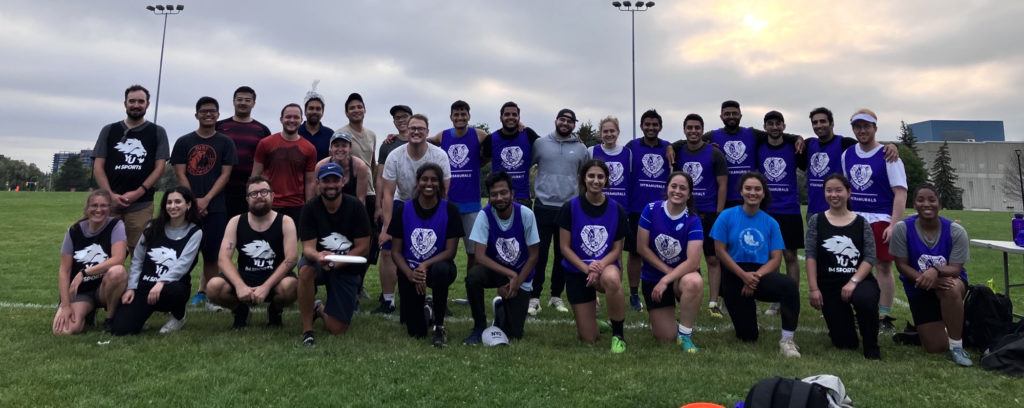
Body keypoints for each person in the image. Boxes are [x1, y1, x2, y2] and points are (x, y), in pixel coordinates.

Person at [710, 172, 801, 358]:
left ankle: (787, 340)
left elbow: (776, 258)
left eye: (757, 189)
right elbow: (720, 252)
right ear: (741, 192)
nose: (753, 192)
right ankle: (749, 319)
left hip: (760, 274)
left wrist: (755, 277)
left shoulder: (771, 222)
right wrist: (744, 276)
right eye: (748, 188)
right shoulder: (726, 216)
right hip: (735, 275)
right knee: (748, 336)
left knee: (789, 286)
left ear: (764, 193)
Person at [376, 113, 452, 315]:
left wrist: (439, 221)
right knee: (387, 249)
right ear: (406, 131)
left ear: (427, 132)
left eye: (420, 129)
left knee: (434, 252)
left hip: (432, 206)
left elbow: (444, 191)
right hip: (403, 204)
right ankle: (388, 300)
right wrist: (386, 227)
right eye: (412, 128)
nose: (416, 132)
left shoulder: (439, 155)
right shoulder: (395, 155)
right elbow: (387, 193)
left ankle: (438, 299)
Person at [890, 184, 973, 366]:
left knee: (950, 288)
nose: (926, 204)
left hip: (949, 281)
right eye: (921, 200)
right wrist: (925, 280)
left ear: (939, 204)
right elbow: (901, 265)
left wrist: (935, 272)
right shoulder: (902, 229)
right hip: (918, 286)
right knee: (934, 347)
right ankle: (945, 327)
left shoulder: (956, 231)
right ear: (914, 204)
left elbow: (956, 268)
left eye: (932, 200)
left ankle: (957, 346)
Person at [841, 109, 907, 332]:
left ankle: (883, 315)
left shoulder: (889, 156)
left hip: (881, 218)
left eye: (866, 126)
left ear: (875, 128)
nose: (862, 130)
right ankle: (861, 310)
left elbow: (900, 192)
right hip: (856, 218)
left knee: (882, 266)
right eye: (857, 126)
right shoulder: (848, 154)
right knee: (853, 265)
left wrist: (894, 223)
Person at [170, 96, 237, 313]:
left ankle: (209, 295)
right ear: (196, 114)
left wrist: (206, 199)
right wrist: (193, 201)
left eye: (212, 111)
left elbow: (225, 175)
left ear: (218, 115)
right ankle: (174, 294)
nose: (208, 114)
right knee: (182, 253)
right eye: (204, 111)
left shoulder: (225, 142)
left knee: (211, 253)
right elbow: (180, 173)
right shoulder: (184, 142)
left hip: (216, 207)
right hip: (186, 207)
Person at [805, 174, 881, 360]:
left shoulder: (861, 222)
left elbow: (870, 257)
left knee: (865, 300)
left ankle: (871, 345)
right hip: (829, 284)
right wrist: (814, 289)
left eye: (838, 190)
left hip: (859, 280)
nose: (834, 194)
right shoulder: (817, 220)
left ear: (848, 192)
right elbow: (811, 255)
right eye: (829, 190)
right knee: (845, 343)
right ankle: (843, 324)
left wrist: (853, 282)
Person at [207, 176, 299, 328]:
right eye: (254, 194)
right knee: (213, 287)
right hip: (245, 277)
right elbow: (223, 258)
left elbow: (291, 259)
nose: (259, 196)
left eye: (264, 192)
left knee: (291, 286)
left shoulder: (285, 221)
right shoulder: (236, 222)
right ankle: (240, 311)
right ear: (247, 199)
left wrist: (266, 286)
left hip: (276, 278)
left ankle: (275, 311)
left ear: (272, 195)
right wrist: (239, 285)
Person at [389, 163, 464, 347]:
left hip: (438, 267)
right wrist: (410, 273)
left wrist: (424, 266)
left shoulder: (450, 210)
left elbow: (450, 251)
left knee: (439, 270)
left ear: (440, 184)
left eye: (434, 180)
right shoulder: (403, 210)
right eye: (424, 179)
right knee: (416, 332)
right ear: (417, 182)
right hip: (410, 271)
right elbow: (395, 252)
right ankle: (427, 309)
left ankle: (439, 325)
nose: (429, 183)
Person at [111, 186, 203, 335]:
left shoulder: (195, 232)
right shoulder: (152, 227)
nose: (173, 206)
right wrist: (132, 287)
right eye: (169, 202)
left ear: (188, 205)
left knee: (176, 290)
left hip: (170, 287)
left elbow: (183, 264)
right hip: (145, 286)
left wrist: (161, 282)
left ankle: (179, 317)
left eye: (178, 202)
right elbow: (138, 259)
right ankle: (142, 316)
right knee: (121, 329)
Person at [558, 160, 629, 353]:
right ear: (583, 179)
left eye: (600, 176)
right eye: (591, 176)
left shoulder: (617, 209)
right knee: (588, 338)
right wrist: (586, 269)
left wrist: (598, 267)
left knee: (612, 279)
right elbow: (564, 247)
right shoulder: (570, 207)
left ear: (606, 180)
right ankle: (595, 322)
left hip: (606, 267)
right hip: (577, 270)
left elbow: (616, 249)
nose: (595, 180)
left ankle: (618, 335)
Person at [297, 163, 371, 346]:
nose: (331, 185)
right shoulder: (310, 208)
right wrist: (319, 257)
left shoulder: (355, 206)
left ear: (343, 182)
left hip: (345, 266)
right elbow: (307, 249)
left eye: (335, 180)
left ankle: (319, 309)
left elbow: (363, 247)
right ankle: (307, 330)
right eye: (326, 181)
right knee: (305, 270)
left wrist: (333, 264)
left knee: (337, 329)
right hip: (319, 261)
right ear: (317, 183)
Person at [462, 171, 540, 344]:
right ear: (489, 197)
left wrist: (516, 281)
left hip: (521, 274)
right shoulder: (485, 215)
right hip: (496, 271)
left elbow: (534, 255)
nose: (499, 198)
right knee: (473, 276)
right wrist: (507, 277)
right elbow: (480, 256)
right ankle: (479, 326)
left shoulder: (526, 214)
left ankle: (501, 308)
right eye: (494, 194)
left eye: (504, 192)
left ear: (512, 193)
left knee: (514, 335)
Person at [91, 84, 169, 255]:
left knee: (140, 252)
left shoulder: (157, 132)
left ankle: (136, 283)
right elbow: (98, 166)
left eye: (141, 101)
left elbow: (160, 168)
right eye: (132, 101)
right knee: (105, 251)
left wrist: (138, 192)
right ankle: (108, 282)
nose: (136, 105)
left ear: (147, 105)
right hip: (109, 204)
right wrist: (110, 195)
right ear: (125, 103)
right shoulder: (109, 130)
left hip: (141, 204)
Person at [530, 108, 590, 316]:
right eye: (562, 119)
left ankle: (556, 296)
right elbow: (527, 165)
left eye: (570, 121)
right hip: (543, 206)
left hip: (568, 208)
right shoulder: (540, 144)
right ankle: (534, 297)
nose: (565, 123)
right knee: (539, 254)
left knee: (562, 254)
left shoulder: (582, 149)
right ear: (556, 120)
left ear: (574, 125)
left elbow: (585, 177)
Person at [636, 172, 705, 352]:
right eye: (674, 186)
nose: (677, 191)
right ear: (667, 188)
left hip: (679, 279)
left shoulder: (693, 220)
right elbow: (642, 248)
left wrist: (667, 279)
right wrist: (667, 272)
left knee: (694, 281)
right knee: (665, 337)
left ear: (689, 194)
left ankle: (685, 335)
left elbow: (693, 262)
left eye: (683, 188)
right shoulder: (651, 209)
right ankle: (663, 319)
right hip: (653, 278)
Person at [672, 113, 728, 318]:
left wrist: (719, 214)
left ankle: (714, 302)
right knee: (682, 258)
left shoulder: (714, 153)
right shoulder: (678, 152)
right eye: (689, 128)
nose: (693, 131)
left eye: (697, 127)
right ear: (684, 130)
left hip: (710, 213)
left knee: (713, 259)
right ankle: (682, 297)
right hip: (686, 213)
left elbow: (723, 184)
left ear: (702, 130)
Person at [53, 190, 128, 335]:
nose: (98, 210)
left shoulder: (116, 225)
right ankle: (86, 313)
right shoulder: (73, 231)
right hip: (82, 291)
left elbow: (119, 259)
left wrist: (84, 273)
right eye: (94, 205)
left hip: (104, 288)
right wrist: (66, 305)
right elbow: (64, 270)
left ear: (109, 208)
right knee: (63, 331)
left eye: (103, 206)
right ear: (87, 208)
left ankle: (110, 319)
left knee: (118, 271)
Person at [429, 100, 489, 275]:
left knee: (474, 252)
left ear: (469, 116)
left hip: (472, 204)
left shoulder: (479, 135)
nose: (460, 117)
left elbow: (498, 143)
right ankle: (440, 290)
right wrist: (395, 137)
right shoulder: (443, 136)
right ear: (451, 117)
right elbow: (421, 139)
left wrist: (480, 163)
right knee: (442, 251)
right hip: (448, 205)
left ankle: (470, 291)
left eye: (464, 114)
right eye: (456, 114)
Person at [805, 107, 899, 218]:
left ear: (832, 123)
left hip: (839, 211)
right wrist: (795, 138)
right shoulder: (808, 144)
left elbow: (869, 147)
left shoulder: (845, 143)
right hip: (813, 211)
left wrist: (893, 146)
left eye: (823, 121)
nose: (819, 125)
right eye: (815, 122)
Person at [624, 109, 673, 314]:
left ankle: (663, 289)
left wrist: (671, 146)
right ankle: (634, 294)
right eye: (647, 124)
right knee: (635, 253)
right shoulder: (631, 147)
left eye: (655, 125)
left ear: (660, 127)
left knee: (662, 252)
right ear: (641, 126)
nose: (651, 128)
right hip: (636, 209)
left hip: (662, 211)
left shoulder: (668, 148)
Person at [757, 111, 804, 316]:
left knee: (790, 255)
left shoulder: (793, 147)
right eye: (770, 124)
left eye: (778, 124)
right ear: (765, 126)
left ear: (784, 126)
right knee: (771, 256)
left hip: (790, 209)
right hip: (766, 210)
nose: (774, 127)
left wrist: (798, 138)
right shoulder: (759, 146)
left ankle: (790, 296)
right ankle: (776, 299)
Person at [251, 103, 318, 223]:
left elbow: (310, 182)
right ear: (281, 119)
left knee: (291, 241)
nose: (292, 120)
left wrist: (309, 208)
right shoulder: (265, 143)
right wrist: (254, 201)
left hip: (296, 206)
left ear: (301, 120)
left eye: (296, 117)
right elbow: (255, 176)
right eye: (288, 117)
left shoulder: (310, 148)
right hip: (269, 203)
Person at [216, 86, 271, 218]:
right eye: (239, 99)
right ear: (233, 101)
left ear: (253, 104)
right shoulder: (219, 126)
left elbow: (267, 162)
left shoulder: (262, 130)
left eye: (247, 100)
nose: (243, 103)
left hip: (249, 190)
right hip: (220, 190)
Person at [481, 101, 540, 208]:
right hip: (498, 197)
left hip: (523, 198)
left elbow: (548, 146)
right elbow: (481, 161)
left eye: (514, 114)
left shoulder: (528, 134)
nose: (511, 117)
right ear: (501, 117)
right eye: (507, 114)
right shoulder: (491, 139)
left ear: (519, 117)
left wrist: (569, 137)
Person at [314, 131, 370, 208]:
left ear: (350, 148)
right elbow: (319, 196)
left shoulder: (360, 166)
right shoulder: (321, 166)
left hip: (351, 208)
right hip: (327, 208)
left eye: (344, 146)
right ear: (331, 148)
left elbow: (361, 199)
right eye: (336, 146)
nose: (340, 149)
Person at [298, 90, 334, 161]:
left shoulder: (330, 135)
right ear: (305, 111)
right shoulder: (296, 132)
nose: (314, 112)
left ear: (322, 112)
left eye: (318, 109)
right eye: (311, 108)